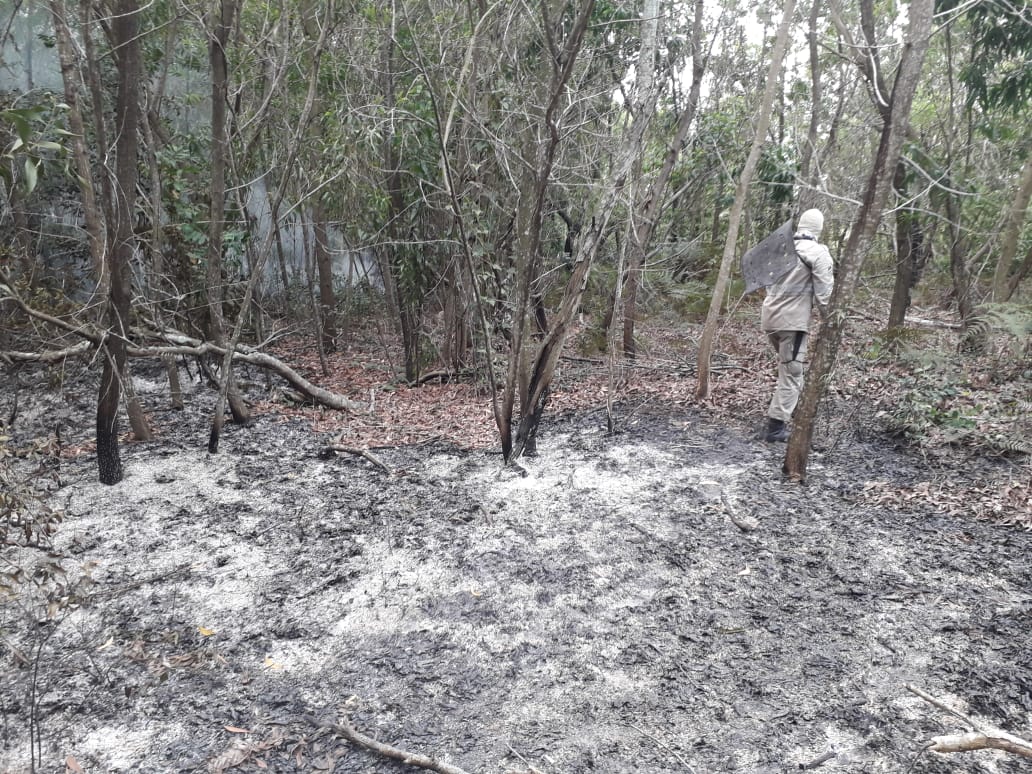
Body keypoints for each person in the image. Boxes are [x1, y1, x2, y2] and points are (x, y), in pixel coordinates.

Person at [760, 208, 834, 442]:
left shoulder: (781, 248)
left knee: (789, 368)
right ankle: (776, 427)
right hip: (793, 322)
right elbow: (825, 297)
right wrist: (830, 322)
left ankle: (782, 414)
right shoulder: (819, 253)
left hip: (770, 318)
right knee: (792, 373)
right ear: (819, 228)